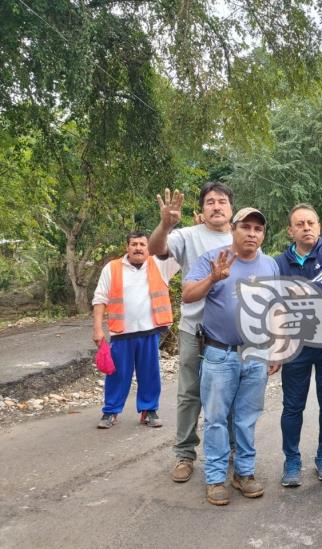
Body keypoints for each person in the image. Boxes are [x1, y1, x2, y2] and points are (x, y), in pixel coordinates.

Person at [182, 207, 281, 506]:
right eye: (246, 227)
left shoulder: (270, 265)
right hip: (219, 353)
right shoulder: (214, 259)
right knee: (215, 420)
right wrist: (212, 278)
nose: (252, 233)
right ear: (234, 229)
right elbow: (187, 294)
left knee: (247, 419)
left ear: (263, 234)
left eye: (258, 229)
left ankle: (244, 473)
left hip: (256, 354)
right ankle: (215, 478)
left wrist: (276, 348)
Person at [148, 183, 234, 483]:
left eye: (222, 201)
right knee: (189, 395)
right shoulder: (187, 235)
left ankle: (233, 451)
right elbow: (157, 249)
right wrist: (165, 224)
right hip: (193, 331)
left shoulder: (243, 238)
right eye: (210, 202)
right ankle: (184, 454)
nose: (216, 206)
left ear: (231, 208)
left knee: (230, 394)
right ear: (202, 209)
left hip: (230, 335)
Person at [275, 204, 322, 486]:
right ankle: (291, 461)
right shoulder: (278, 263)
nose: (307, 228)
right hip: (295, 344)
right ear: (290, 230)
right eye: (300, 224)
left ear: (319, 227)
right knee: (293, 406)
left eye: (311, 223)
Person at [92, 231, 179, 429]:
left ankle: (149, 410)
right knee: (117, 374)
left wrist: (198, 230)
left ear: (149, 247)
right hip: (121, 333)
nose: (138, 248)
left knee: (150, 374)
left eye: (142, 244)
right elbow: (100, 300)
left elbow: (182, 253)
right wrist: (97, 329)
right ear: (127, 247)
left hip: (149, 332)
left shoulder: (159, 264)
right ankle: (110, 411)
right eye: (134, 244)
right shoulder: (112, 268)